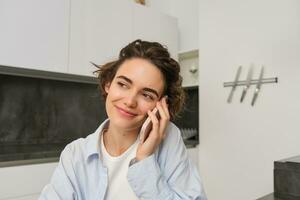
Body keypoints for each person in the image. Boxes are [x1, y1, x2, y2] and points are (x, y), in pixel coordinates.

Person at [39, 40, 207, 200]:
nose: (130, 101)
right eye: (123, 84)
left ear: (160, 104)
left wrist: (144, 160)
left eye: (146, 95)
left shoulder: (168, 141)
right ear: (108, 84)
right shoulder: (75, 155)